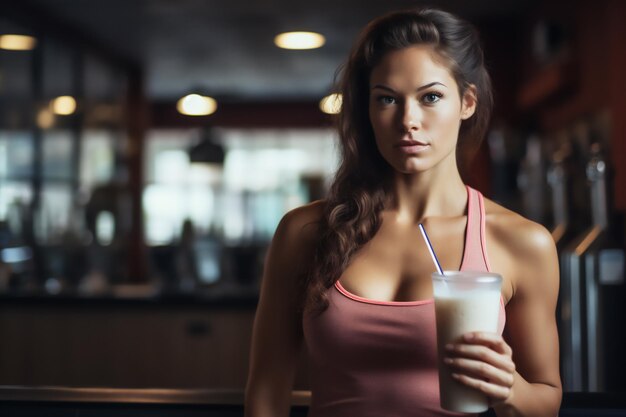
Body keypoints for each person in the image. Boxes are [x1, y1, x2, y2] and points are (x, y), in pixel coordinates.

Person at [245, 7, 561, 417]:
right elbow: (266, 393)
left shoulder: (521, 243)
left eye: (430, 97)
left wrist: (510, 389)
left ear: (466, 102)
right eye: (388, 99)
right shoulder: (305, 232)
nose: (408, 120)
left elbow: (547, 400)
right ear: (368, 110)